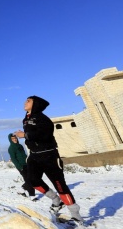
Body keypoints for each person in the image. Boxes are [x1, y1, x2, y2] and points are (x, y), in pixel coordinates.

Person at [14, 95, 83, 224]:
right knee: (32, 180)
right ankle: (56, 201)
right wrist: (25, 136)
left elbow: (45, 135)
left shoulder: (43, 119)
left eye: (28, 101)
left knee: (60, 185)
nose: (25, 102)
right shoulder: (26, 119)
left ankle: (76, 215)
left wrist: (25, 135)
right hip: (34, 156)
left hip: (49, 155)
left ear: (36, 104)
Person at [7, 133, 37, 201]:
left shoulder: (20, 146)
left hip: (27, 164)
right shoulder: (11, 148)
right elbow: (14, 159)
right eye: (12, 139)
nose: (14, 139)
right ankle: (32, 196)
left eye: (15, 138)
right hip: (21, 166)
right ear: (10, 140)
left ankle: (21, 190)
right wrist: (19, 166)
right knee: (28, 180)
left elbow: (24, 154)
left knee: (32, 179)